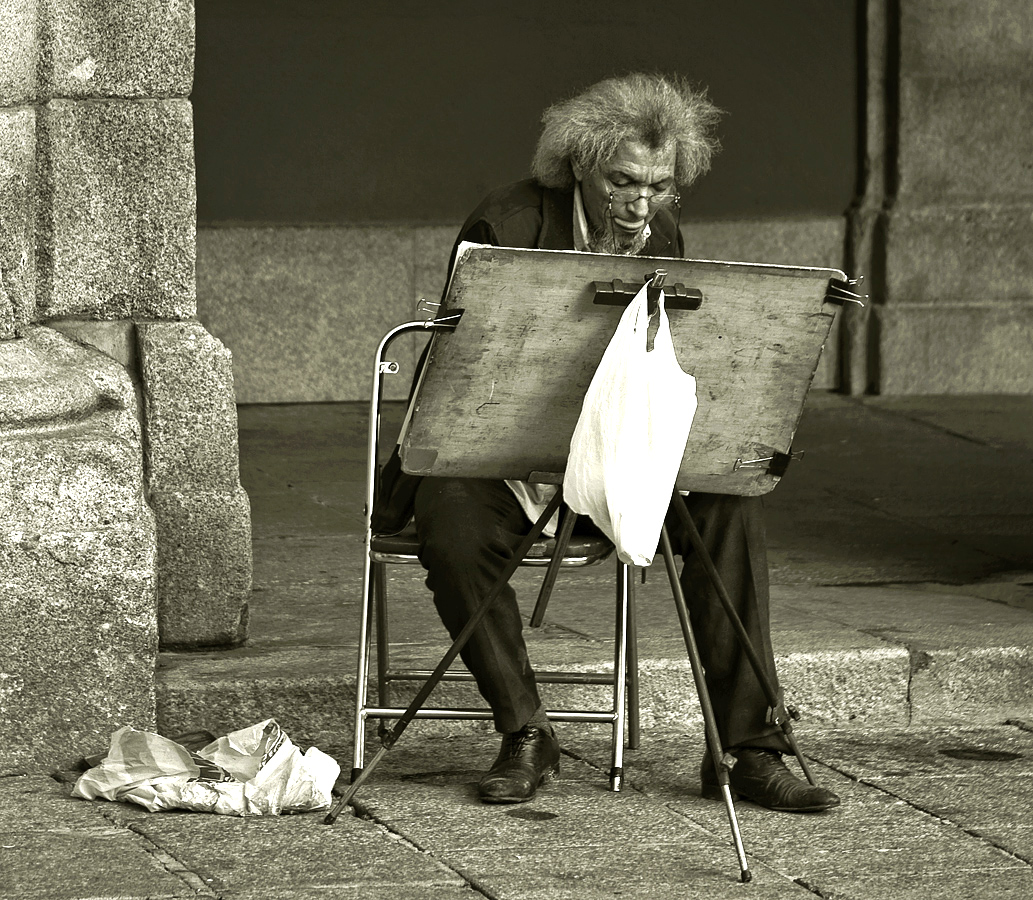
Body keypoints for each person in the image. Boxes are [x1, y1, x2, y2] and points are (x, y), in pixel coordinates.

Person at [376, 73, 840, 813]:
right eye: (623, 183)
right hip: (506, 458)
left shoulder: (662, 233)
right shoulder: (506, 222)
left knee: (731, 505)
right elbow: (465, 369)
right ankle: (526, 732)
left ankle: (747, 748)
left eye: (659, 186)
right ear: (579, 167)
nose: (640, 206)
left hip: (614, 453)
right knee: (452, 527)